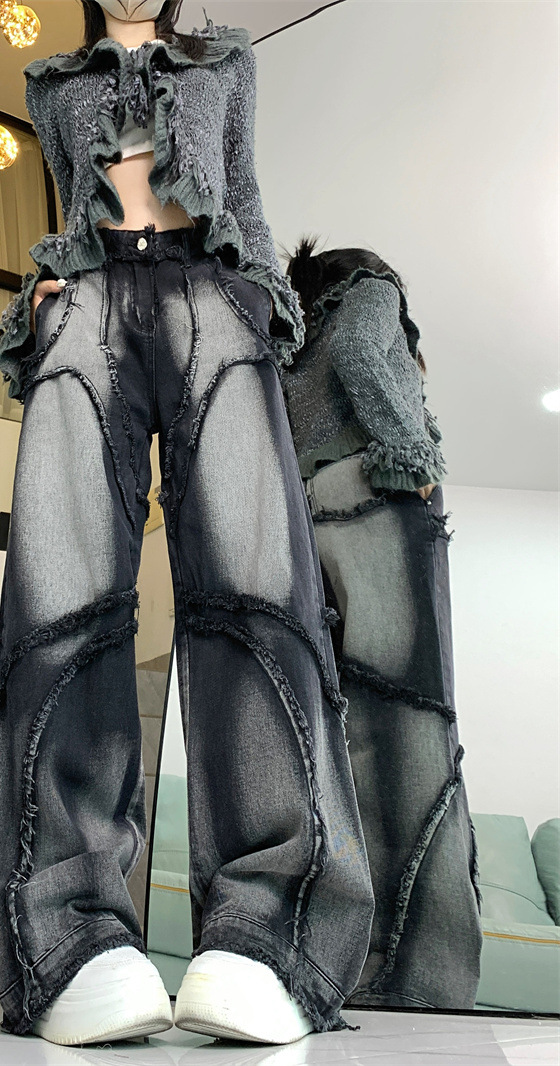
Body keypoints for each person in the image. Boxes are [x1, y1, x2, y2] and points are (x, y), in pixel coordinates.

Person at [0, 4, 375, 1046]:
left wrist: (260, 308)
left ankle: (270, 931)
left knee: (257, 593)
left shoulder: (225, 62)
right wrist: (44, 296)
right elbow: (67, 200)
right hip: (87, 296)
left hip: (212, 289)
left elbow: (244, 194)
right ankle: (63, 932)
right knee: (58, 596)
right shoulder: (54, 83)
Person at [281, 237, 483, 1010]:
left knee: (346, 739)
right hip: (377, 503)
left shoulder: (293, 339)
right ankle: (424, 972)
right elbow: (367, 350)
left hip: (315, 521)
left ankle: (347, 958)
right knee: (415, 727)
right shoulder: (371, 290)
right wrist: (410, 454)